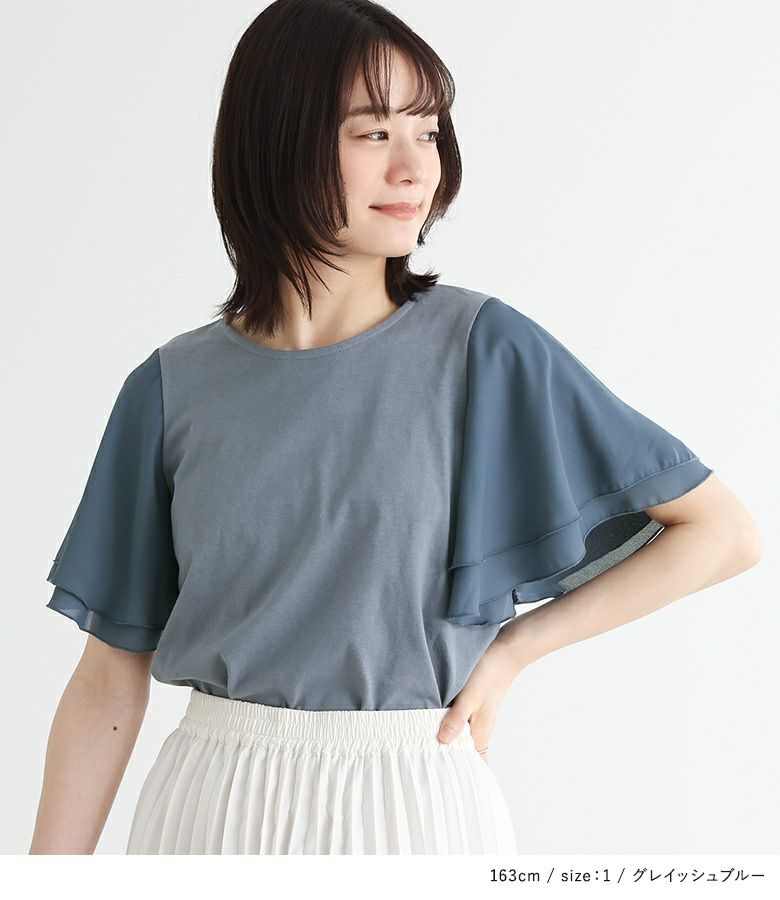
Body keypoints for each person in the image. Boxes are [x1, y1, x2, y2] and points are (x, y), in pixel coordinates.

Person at [30, 0, 761, 855]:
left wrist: (513, 653)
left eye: (429, 130)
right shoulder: (170, 388)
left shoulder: (484, 351)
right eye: (374, 132)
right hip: (208, 807)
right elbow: (106, 681)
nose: (416, 167)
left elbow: (721, 532)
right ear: (277, 143)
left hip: (412, 801)